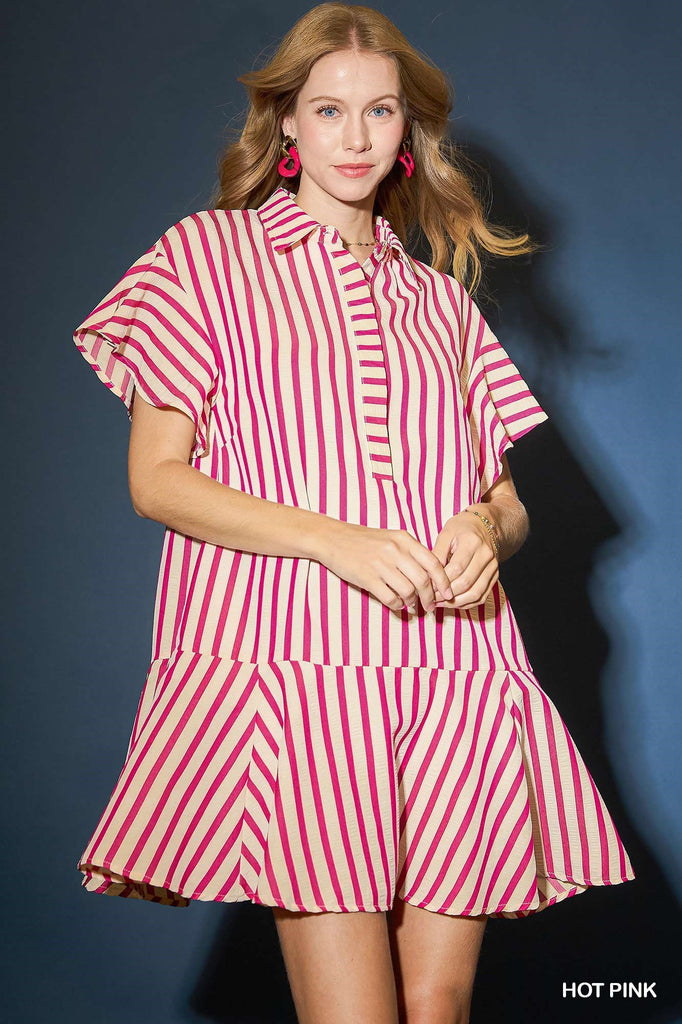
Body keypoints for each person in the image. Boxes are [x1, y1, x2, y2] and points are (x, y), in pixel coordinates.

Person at [72, 4, 636, 1022]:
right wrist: (336, 541)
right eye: (329, 109)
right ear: (287, 122)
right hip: (303, 672)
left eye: (380, 110)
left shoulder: (441, 304)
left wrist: (485, 530)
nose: (357, 135)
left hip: (456, 669)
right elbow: (157, 480)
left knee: (439, 1003)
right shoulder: (206, 257)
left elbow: (505, 501)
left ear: (407, 130)